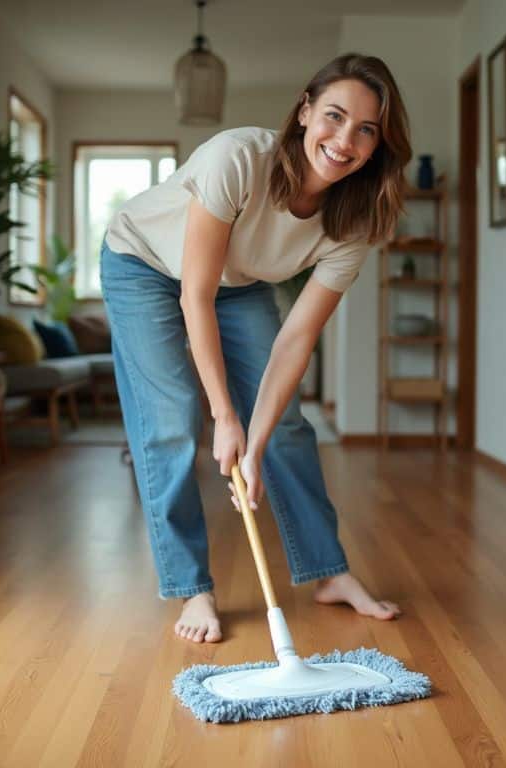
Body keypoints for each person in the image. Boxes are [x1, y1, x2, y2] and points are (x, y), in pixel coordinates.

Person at [101, 53, 411, 643]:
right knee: (170, 422)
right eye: (334, 116)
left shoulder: (358, 222)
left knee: (287, 423)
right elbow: (195, 295)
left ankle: (328, 571)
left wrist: (256, 438)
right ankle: (193, 587)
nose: (344, 140)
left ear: (378, 145)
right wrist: (224, 417)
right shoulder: (237, 157)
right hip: (144, 265)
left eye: (365, 129)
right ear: (304, 112)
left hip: (237, 284)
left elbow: (296, 339)